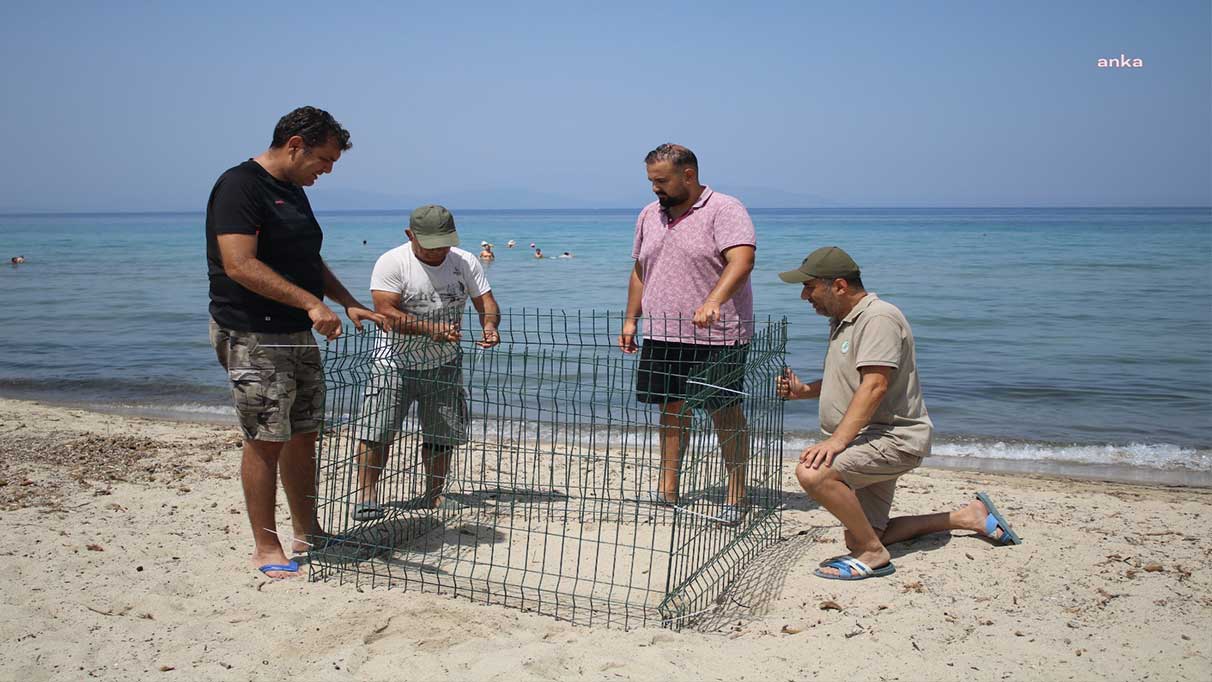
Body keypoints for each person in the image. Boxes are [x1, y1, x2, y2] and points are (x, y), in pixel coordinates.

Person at [206, 106, 385, 579]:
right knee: (266, 437)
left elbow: (308, 258)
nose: (327, 171)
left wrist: (346, 301)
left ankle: (309, 532)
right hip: (252, 331)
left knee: (305, 432)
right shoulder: (239, 186)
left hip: (296, 331)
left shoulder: (293, 189)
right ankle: (266, 546)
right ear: (295, 145)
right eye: (324, 160)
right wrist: (310, 303)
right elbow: (239, 264)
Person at [777, 246, 1021, 581]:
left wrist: (836, 442)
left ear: (839, 286)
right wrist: (804, 391)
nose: (804, 296)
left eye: (810, 287)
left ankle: (873, 555)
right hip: (867, 438)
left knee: (813, 473)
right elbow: (852, 382)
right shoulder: (844, 321)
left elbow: (875, 386)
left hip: (893, 438)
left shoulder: (879, 318)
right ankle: (969, 516)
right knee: (862, 534)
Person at [618, 143, 755, 525]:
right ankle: (667, 490)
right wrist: (631, 319)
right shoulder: (649, 214)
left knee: (724, 411)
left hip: (720, 334)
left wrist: (713, 301)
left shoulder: (725, 209)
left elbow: (742, 260)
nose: (655, 188)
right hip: (662, 331)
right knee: (670, 409)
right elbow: (640, 270)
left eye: (661, 181)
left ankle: (736, 496)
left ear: (688, 175)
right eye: (651, 181)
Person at [352, 205, 501, 520]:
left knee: (441, 434)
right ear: (410, 235)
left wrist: (489, 325)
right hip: (393, 363)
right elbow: (386, 312)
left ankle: (434, 495)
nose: (439, 251)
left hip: (445, 363)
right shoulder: (392, 262)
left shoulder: (464, 261)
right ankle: (366, 495)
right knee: (377, 430)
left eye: (444, 243)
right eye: (431, 244)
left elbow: (486, 301)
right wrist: (431, 330)